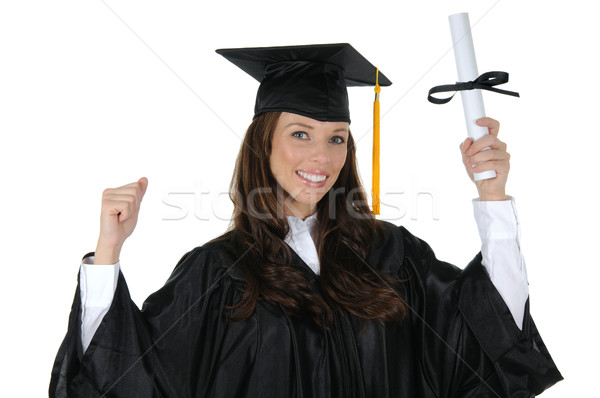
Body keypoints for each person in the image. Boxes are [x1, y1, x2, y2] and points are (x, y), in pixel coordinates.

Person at [49, 44, 562, 397]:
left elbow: (490, 332)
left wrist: (492, 197)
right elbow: (131, 376)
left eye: (336, 137)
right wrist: (108, 253)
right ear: (263, 142)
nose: (321, 156)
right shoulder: (218, 271)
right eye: (300, 134)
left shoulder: (392, 254)